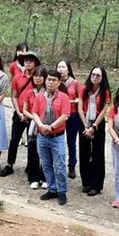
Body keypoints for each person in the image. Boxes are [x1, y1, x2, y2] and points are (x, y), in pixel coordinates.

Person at [28, 69, 72, 205]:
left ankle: (62, 191)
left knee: (59, 165)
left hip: (56, 136)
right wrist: (41, 125)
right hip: (42, 136)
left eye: (54, 80)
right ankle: (52, 189)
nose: (51, 82)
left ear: (59, 82)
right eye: (49, 79)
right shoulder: (40, 96)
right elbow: (34, 112)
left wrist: (51, 127)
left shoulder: (64, 97)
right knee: (46, 165)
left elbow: (65, 116)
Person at [0, 50, 39, 178]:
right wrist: (18, 111)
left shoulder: (39, 78)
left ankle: (31, 165)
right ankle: (10, 164)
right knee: (15, 139)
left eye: (31, 60)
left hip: (34, 116)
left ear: (35, 63)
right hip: (19, 113)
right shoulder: (17, 77)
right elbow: (14, 96)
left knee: (32, 141)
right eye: (26, 60)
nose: (28, 63)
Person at [77, 65, 109, 195]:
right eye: (93, 74)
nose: (95, 77)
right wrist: (86, 126)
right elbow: (79, 108)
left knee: (97, 155)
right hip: (84, 121)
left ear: (102, 78)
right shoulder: (84, 89)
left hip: (98, 123)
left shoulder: (104, 91)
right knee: (84, 154)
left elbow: (104, 110)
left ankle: (96, 185)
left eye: (98, 75)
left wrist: (94, 127)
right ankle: (86, 182)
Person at [56, 60, 84, 180]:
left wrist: (77, 101)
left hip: (72, 116)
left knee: (71, 142)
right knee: (58, 141)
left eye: (63, 67)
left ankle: (72, 165)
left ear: (68, 69)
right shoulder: (55, 82)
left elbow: (82, 97)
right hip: (59, 116)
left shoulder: (75, 83)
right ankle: (58, 165)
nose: (61, 69)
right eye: (59, 67)